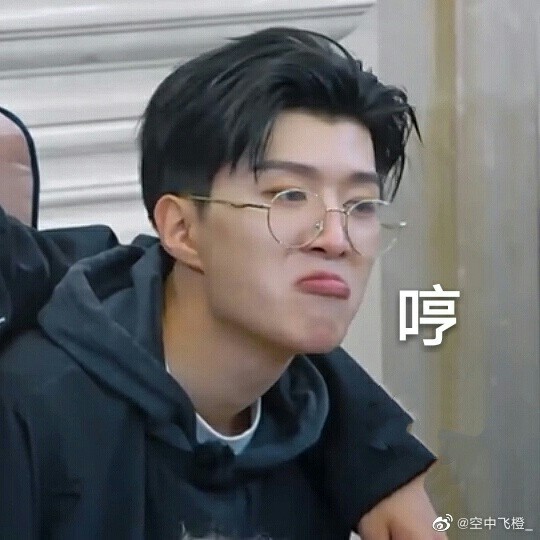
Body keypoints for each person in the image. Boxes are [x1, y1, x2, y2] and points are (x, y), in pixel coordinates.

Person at [0, 28, 440, 539]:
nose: (337, 239)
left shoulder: (319, 426)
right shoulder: (36, 418)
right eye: (288, 195)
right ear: (182, 230)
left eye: (361, 205)